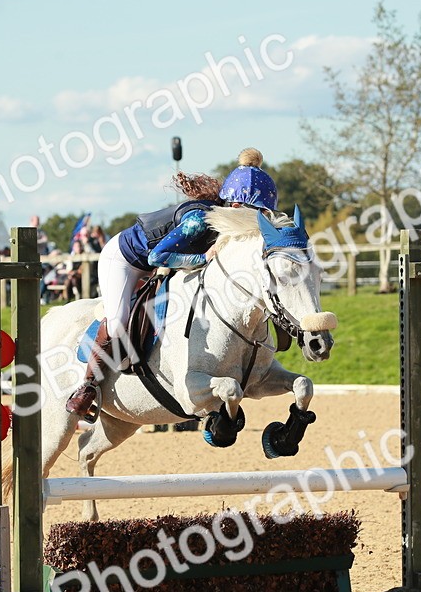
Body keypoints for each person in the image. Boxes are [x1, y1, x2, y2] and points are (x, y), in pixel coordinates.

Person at [64, 147, 278, 420]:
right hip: (127, 259)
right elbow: (157, 256)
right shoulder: (199, 221)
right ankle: (87, 386)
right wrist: (203, 256)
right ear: (236, 207)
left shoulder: (229, 224)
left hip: (162, 263)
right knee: (117, 320)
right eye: (258, 214)